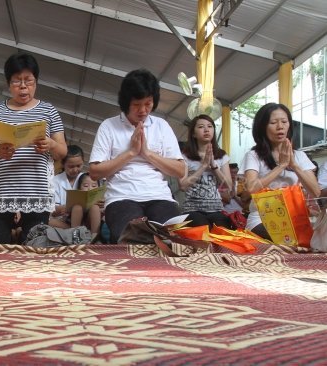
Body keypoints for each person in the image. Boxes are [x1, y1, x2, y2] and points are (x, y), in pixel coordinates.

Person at [0, 52, 67, 244]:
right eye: (17, 81)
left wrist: (50, 144)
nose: (23, 86)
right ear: (9, 83)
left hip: (36, 193)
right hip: (2, 193)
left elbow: (62, 152)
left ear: (36, 82)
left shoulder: (49, 111)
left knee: (34, 251)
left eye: (29, 80)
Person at [89, 68, 185, 243]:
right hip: (121, 197)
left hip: (159, 196)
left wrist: (147, 153)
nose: (143, 110)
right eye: (136, 105)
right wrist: (131, 152)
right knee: (131, 237)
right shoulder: (108, 126)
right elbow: (94, 171)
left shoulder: (161, 126)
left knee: (172, 238)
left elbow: (180, 170)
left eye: (148, 103)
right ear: (125, 102)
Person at [240, 103, 320, 240]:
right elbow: (251, 188)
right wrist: (281, 166)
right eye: (273, 122)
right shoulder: (253, 155)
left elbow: (316, 192)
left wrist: (294, 166)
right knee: (288, 239)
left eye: (284, 121)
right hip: (262, 219)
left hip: (296, 219)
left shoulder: (300, 156)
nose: (280, 127)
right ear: (262, 127)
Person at [178, 114, 232, 228]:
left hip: (216, 209)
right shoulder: (184, 156)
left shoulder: (221, 155)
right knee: (203, 232)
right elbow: (183, 186)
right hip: (192, 210)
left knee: (223, 234)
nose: (206, 129)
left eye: (210, 126)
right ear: (193, 134)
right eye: (201, 127)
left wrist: (214, 166)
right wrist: (203, 166)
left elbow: (228, 185)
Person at [49, 145, 84, 228]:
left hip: (83, 219)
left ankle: (75, 231)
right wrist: (65, 208)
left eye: (79, 166)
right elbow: (52, 209)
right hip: (62, 220)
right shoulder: (55, 181)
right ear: (63, 164)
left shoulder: (87, 179)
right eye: (71, 166)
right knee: (46, 221)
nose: (75, 170)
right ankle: (73, 231)